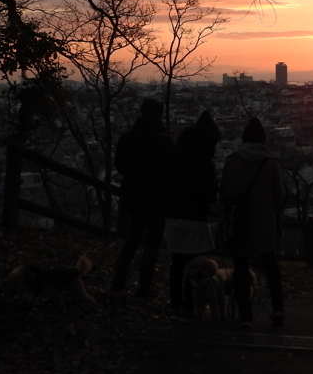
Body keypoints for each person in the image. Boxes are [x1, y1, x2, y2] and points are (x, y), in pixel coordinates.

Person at [219, 117, 286, 328]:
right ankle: (278, 310)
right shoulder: (270, 163)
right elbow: (279, 197)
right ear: (263, 140)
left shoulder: (231, 161)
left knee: (240, 269)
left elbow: (225, 194)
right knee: (270, 266)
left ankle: (246, 316)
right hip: (265, 221)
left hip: (240, 222)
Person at [111, 98, 172, 298]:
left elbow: (120, 166)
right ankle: (144, 287)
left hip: (133, 195)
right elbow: (170, 170)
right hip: (156, 198)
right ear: (158, 115)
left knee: (131, 239)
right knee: (151, 245)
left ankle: (118, 282)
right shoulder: (163, 141)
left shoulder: (127, 138)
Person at [164, 111, 221, 319]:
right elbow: (208, 194)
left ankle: (175, 305)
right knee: (194, 264)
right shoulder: (203, 160)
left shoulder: (175, 152)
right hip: (195, 217)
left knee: (177, 264)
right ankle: (189, 307)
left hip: (173, 215)